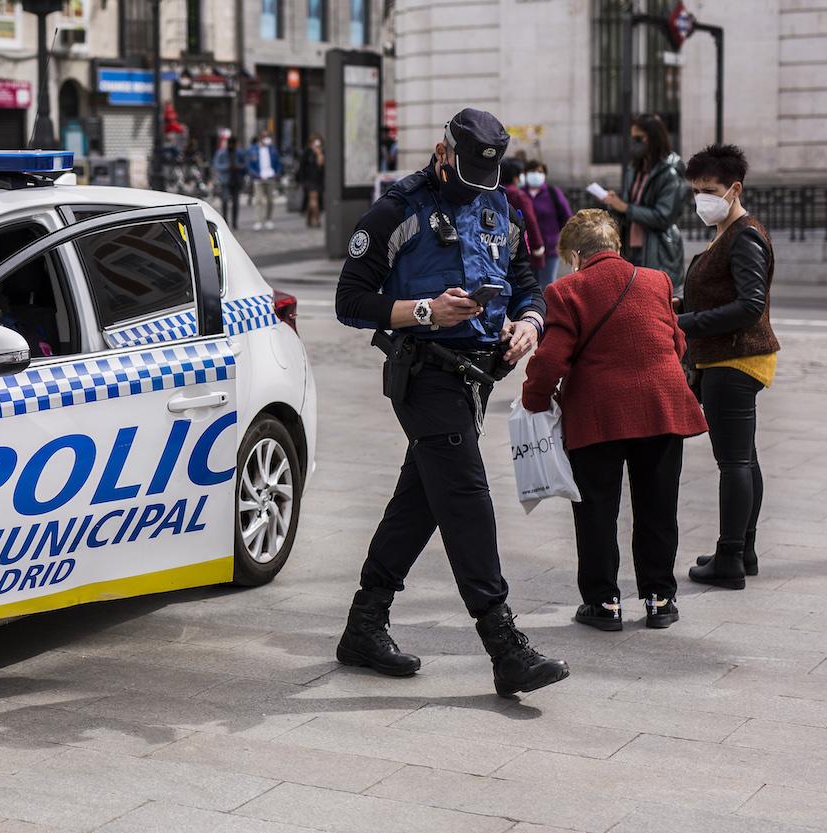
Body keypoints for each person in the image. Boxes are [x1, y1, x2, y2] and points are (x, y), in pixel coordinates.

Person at [333, 108, 569, 697]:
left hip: (477, 376)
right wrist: (423, 311)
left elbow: (524, 281)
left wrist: (529, 323)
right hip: (423, 373)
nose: (475, 188)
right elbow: (349, 299)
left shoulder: (501, 206)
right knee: (465, 497)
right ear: (444, 154)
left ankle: (365, 622)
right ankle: (503, 645)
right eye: (465, 174)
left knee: (422, 499)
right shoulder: (398, 210)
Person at [521, 209, 707, 630]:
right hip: (661, 409)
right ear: (616, 247)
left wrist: (533, 399)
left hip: (599, 416)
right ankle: (660, 600)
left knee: (597, 511)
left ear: (574, 254)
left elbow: (551, 358)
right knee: (658, 507)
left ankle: (604, 604)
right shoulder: (656, 281)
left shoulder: (567, 290)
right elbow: (676, 341)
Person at [678, 144, 779, 590]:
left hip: (734, 357)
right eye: (696, 190)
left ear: (734, 189)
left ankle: (729, 558)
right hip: (728, 356)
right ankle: (743, 549)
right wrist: (682, 303)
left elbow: (750, 305)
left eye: (710, 190)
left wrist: (684, 321)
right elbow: (721, 293)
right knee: (745, 459)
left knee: (733, 461)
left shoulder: (745, 234)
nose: (701, 198)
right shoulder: (726, 231)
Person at [600, 114, 686, 289]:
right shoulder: (635, 169)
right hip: (631, 248)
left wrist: (625, 208)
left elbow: (664, 217)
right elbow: (626, 207)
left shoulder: (670, 173)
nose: (635, 143)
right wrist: (614, 204)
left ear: (653, 137)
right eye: (633, 138)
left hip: (658, 251)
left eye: (639, 138)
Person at [523, 160, 573, 288]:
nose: (536, 174)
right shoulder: (520, 194)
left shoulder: (553, 193)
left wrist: (562, 239)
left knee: (547, 285)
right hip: (525, 250)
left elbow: (567, 217)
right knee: (528, 286)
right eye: (532, 171)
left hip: (549, 249)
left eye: (539, 172)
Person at [500, 158, 547, 274]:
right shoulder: (519, 196)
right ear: (516, 177)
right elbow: (531, 222)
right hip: (522, 250)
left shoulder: (496, 194)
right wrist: (537, 246)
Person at [248, 131, 281, 231]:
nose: (266, 138)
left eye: (267, 136)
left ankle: (268, 219)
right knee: (258, 200)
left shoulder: (272, 149)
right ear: (260, 138)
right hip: (259, 178)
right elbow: (249, 164)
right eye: (264, 137)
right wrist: (256, 175)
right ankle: (258, 221)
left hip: (270, 177)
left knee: (270, 200)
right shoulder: (253, 150)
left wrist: (276, 173)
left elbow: (278, 163)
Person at [213, 135, 247, 229]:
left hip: (236, 179)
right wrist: (227, 167)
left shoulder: (239, 153)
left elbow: (245, 165)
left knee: (235, 202)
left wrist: (238, 167)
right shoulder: (221, 153)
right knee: (224, 201)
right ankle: (225, 221)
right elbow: (216, 165)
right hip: (225, 180)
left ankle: (234, 222)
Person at [298, 134, 326, 228]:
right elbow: (302, 167)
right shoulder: (307, 152)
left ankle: (309, 218)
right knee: (314, 199)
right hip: (309, 180)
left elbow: (321, 165)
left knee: (312, 199)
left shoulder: (321, 152)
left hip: (318, 180)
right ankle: (317, 220)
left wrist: (319, 153)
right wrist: (301, 181)